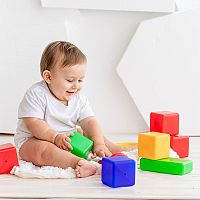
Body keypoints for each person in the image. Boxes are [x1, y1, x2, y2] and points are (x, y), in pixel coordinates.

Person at [14, 41, 128, 178]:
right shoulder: (37, 94)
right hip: (33, 140)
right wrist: (54, 137)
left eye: (80, 80)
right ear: (48, 77)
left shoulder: (79, 99)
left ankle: (116, 151)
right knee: (43, 151)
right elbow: (33, 123)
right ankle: (78, 163)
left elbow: (90, 121)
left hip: (67, 138)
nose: (76, 86)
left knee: (90, 133)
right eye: (70, 80)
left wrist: (98, 143)